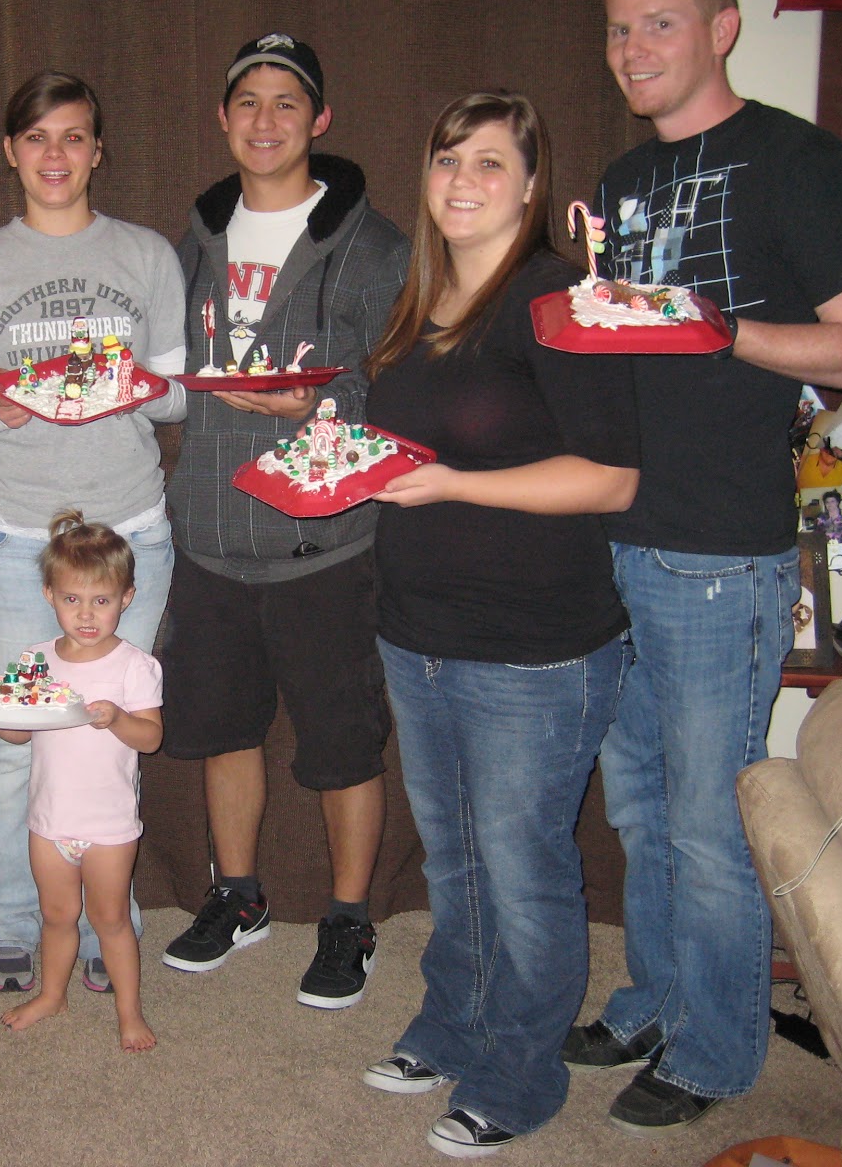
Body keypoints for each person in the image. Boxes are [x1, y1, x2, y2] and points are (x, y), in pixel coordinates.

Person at [565, 0, 842, 1136]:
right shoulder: (621, 180)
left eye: (659, 23)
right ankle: (656, 1002)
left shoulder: (800, 161)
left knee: (707, 826)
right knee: (640, 811)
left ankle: (715, 1050)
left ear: (722, 26)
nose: (633, 47)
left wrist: (716, 327)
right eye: (618, 28)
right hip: (617, 537)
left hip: (719, 554)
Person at [355, 91, 639, 1157]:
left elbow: (610, 478)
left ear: (529, 188)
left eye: (488, 163)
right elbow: (413, 445)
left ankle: (521, 1074)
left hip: (536, 648)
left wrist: (451, 485)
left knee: (522, 871)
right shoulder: (419, 300)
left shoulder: (555, 299)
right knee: (455, 860)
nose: (462, 181)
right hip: (417, 631)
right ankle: (454, 1024)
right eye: (446, 160)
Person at [0, 70, 186, 995]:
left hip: (128, 536)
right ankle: (11, 915)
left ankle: (109, 919)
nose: (56, 155)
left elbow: (178, 392)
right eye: (37, 137)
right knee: (12, 741)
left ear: (98, 151)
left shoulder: (146, 254)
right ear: (11, 151)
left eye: (74, 136)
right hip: (9, 539)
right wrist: (4, 408)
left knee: (111, 733)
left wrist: (131, 390)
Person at [159, 33, 408, 1010]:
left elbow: (402, 385)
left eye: (287, 103)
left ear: (319, 120)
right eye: (248, 103)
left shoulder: (377, 247)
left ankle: (349, 917)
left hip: (325, 542)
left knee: (343, 746)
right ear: (223, 119)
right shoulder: (189, 245)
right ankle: (238, 895)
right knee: (225, 732)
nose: (265, 122)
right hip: (211, 536)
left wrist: (321, 403)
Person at [0, 511, 163, 1052]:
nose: (86, 614)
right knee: (56, 915)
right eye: (72, 599)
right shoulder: (36, 661)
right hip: (49, 820)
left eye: (101, 600)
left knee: (111, 921)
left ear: (127, 598)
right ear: (49, 595)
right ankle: (52, 995)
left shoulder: (135, 666)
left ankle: (129, 1012)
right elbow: (18, 735)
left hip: (109, 826)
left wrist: (117, 718)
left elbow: (151, 739)